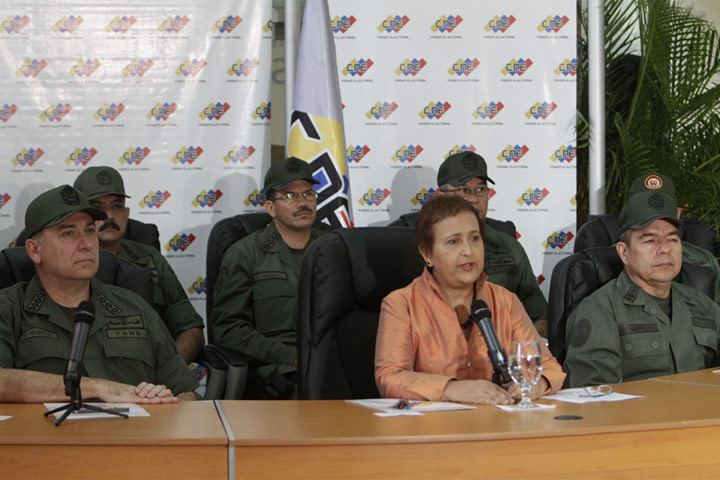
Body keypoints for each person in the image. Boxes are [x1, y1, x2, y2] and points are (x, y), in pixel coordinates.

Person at [0, 185, 198, 403]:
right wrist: (98, 388)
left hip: (134, 425)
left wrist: (167, 403)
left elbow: (186, 392)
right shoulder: (8, 309)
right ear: (34, 250)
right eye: (68, 233)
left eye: (89, 231)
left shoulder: (135, 307)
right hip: (44, 426)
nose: (86, 244)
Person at [375, 195, 564, 404]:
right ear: (426, 253)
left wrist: (537, 384)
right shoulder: (401, 304)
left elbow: (550, 369)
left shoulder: (505, 300)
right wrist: (451, 389)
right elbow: (389, 377)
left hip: (496, 418)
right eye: (453, 241)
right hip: (433, 422)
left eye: (474, 238)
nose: (468, 251)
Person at [564, 190, 720, 387]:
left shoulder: (703, 304)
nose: (665, 249)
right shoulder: (600, 310)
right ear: (624, 253)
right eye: (650, 240)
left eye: (672, 239)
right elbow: (595, 394)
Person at [210, 157, 329, 399]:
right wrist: (291, 356)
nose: (302, 203)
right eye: (289, 196)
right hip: (277, 366)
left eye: (308, 194)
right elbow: (228, 328)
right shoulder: (245, 253)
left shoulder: (334, 247)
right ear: (270, 208)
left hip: (330, 359)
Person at [73, 166, 204, 363]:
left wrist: (167, 373)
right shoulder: (67, 260)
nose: (109, 215)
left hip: (148, 371)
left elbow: (191, 329)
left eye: (117, 207)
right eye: (98, 208)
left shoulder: (150, 258)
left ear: (126, 213)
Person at [435, 151, 549, 336]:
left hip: (503, 348)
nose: (474, 198)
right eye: (464, 190)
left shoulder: (508, 247)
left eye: (480, 189)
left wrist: (526, 345)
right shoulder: (424, 247)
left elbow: (539, 314)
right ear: (441, 196)